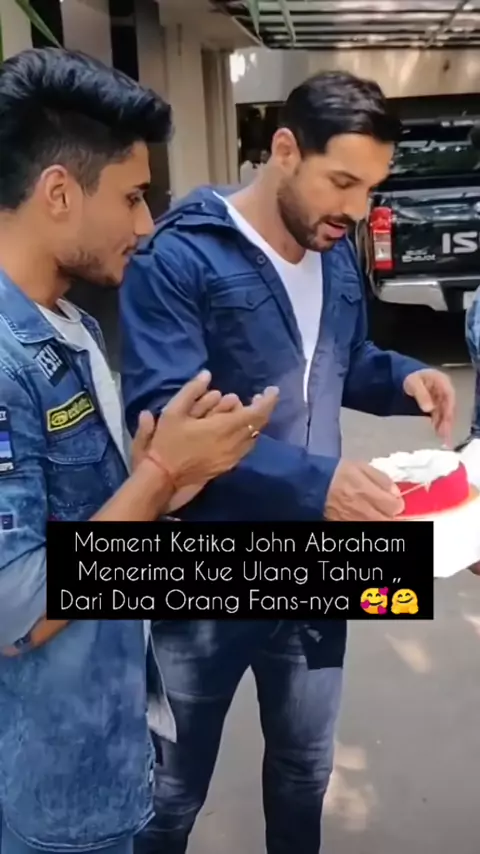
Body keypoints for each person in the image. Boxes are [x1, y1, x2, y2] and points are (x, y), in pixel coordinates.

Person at [119, 71, 456, 854]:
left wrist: (404, 377)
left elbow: (339, 359)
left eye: (370, 189)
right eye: (342, 181)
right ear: (283, 150)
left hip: (319, 567)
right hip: (201, 572)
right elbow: (166, 422)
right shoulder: (179, 257)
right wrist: (320, 485)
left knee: (305, 772)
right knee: (169, 797)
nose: (356, 209)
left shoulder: (331, 249)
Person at [0, 47, 279, 854]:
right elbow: (13, 608)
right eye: (131, 197)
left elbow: (92, 529)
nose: (146, 225)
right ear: (59, 193)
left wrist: (165, 483)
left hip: (102, 752)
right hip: (43, 799)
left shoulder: (69, 324)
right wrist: (158, 475)